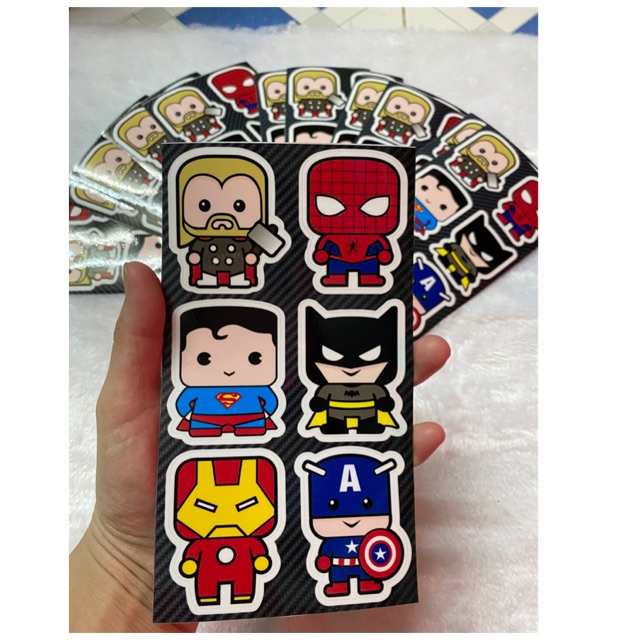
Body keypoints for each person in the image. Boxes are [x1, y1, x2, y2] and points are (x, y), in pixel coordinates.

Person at [68, 262, 450, 632]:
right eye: (205, 358)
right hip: (213, 434)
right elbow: (193, 408)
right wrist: (128, 561)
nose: (229, 369)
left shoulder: (279, 393)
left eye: (253, 358)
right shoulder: (203, 397)